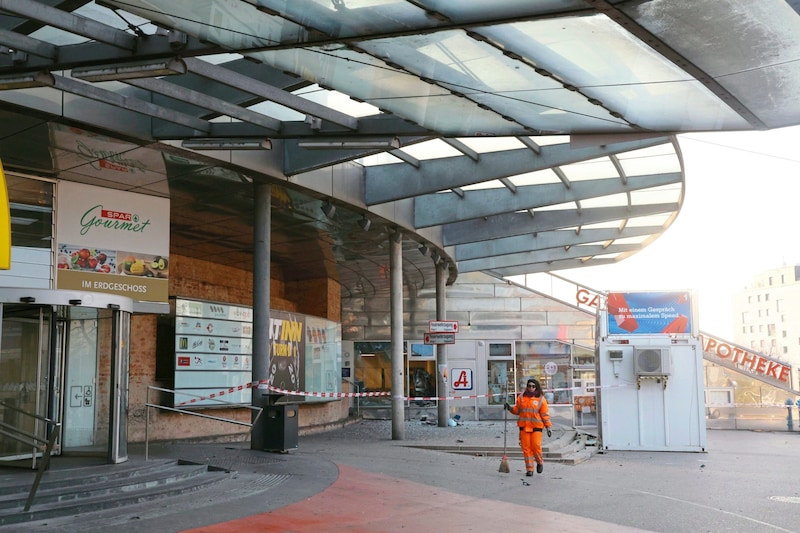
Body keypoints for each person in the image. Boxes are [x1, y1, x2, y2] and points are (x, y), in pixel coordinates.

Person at [505, 378, 552, 476]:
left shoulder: (541, 399)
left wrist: (548, 427)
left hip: (536, 428)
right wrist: (510, 408)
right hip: (524, 427)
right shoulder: (521, 397)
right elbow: (517, 410)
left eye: (533, 386)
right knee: (526, 449)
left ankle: (539, 462)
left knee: (536, 446)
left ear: (536, 387)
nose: (531, 388)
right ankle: (530, 469)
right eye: (529, 386)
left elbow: (544, 414)